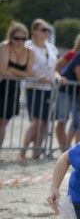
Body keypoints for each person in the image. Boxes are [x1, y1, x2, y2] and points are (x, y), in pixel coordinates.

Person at [20, 19, 60, 160]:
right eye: (43, 29)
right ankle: (23, 151)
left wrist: (58, 76)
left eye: (48, 30)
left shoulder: (51, 48)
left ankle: (36, 151)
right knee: (36, 121)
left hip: (48, 88)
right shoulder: (28, 46)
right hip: (34, 86)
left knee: (44, 122)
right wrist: (37, 77)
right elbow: (25, 69)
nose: (46, 32)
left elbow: (53, 69)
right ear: (34, 31)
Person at [53, 30, 80, 152]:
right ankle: (63, 147)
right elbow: (57, 66)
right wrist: (60, 77)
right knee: (63, 119)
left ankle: (68, 147)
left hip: (78, 92)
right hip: (66, 90)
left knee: (77, 121)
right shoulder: (72, 53)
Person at [0, 22, 34, 150]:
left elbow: (27, 74)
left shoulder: (29, 52)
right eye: (16, 38)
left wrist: (11, 70)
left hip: (13, 89)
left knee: (4, 122)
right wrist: (18, 73)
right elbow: (2, 70)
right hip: (2, 86)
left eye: (23, 39)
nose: (20, 41)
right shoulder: (4, 47)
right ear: (10, 37)